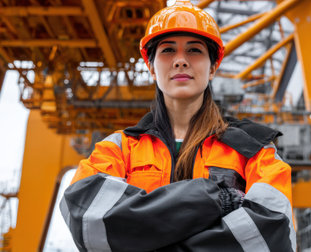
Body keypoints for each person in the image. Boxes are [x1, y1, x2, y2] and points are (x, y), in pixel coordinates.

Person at [60, 0, 295, 251]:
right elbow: (84, 215)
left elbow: (272, 229)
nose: (181, 60)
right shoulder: (118, 148)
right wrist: (217, 198)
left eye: (194, 50)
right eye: (168, 50)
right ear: (151, 67)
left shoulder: (254, 149)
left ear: (213, 67)